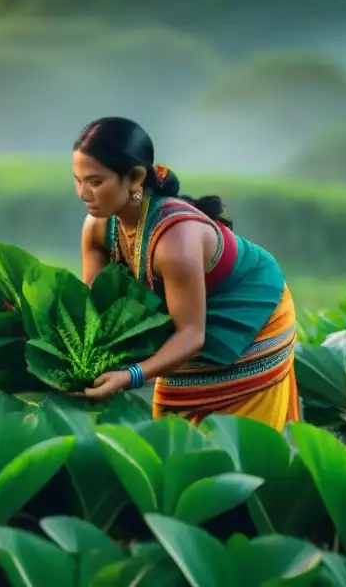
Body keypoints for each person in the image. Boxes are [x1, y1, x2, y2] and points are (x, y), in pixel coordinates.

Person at [71, 116, 299, 430]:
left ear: (135, 178)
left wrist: (130, 375)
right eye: (78, 180)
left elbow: (191, 336)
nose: (83, 193)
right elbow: (93, 308)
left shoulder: (174, 240)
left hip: (252, 315)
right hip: (188, 316)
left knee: (239, 441)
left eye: (95, 182)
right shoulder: (97, 227)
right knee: (172, 423)